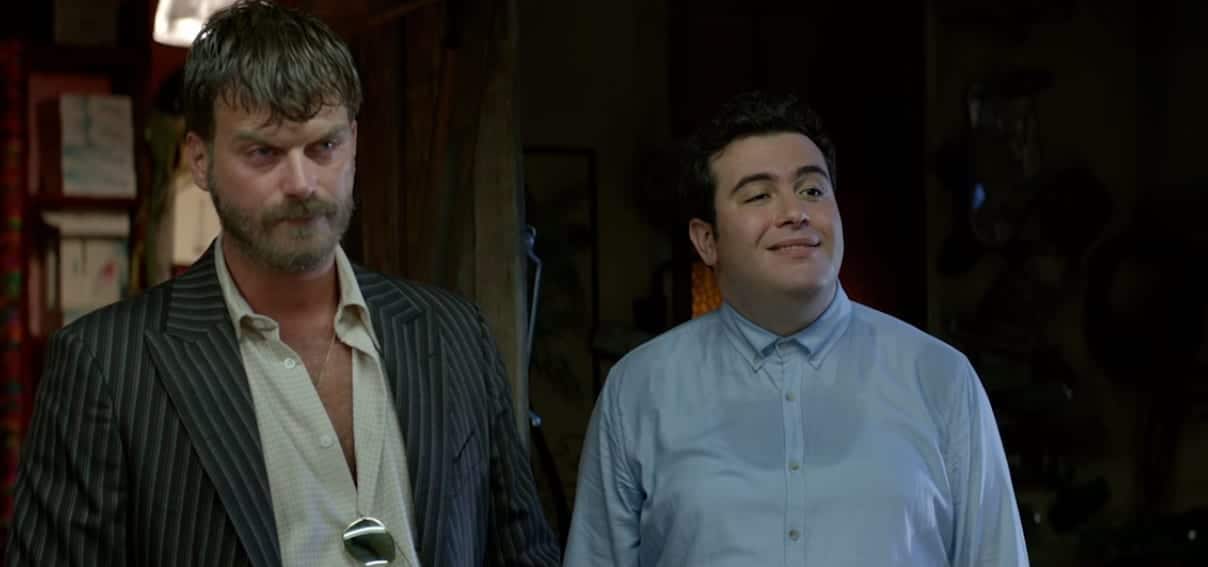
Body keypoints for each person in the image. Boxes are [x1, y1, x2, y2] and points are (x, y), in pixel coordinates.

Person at [6, 1, 559, 565]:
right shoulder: (107, 366)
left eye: (324, 147)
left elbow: (525, 551)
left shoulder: (454, 332)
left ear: (354, 142)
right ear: (200, 159)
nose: (301, 183)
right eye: (263, 152)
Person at [563, 91, 1028, 566]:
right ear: (706, 240)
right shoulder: (640, 389)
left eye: (811, 191)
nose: (795, 213)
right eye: (759, 195)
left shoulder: (940, 378)